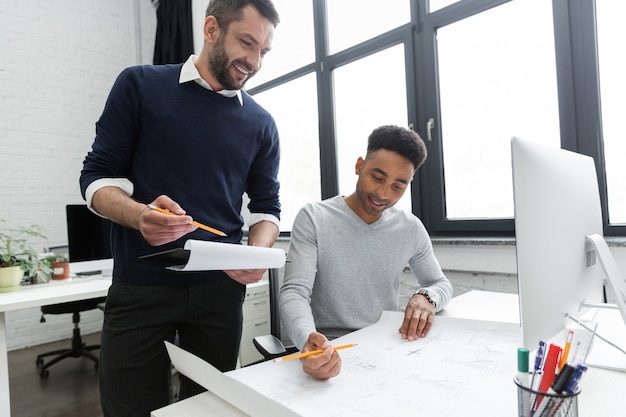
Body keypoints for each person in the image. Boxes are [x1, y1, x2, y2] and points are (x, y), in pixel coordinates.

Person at [79, 1, 281, 415]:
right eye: (247, 43)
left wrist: (258, 251)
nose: (254, 61)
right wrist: (139, 215)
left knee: (211, 409)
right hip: (140, 285)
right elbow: (97, 180)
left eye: (264, 51)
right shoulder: (139, 85)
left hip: (220, 293)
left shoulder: (261, 124)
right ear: (211, 29)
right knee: (128, 407)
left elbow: (266, 209)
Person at [279, 125, 453, 380]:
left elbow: (440, 284)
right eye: (378, 178)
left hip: (384, 349)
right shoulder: (314, 218)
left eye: (398, 186)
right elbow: (294, 292)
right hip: (328, 347)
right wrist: (309, 340)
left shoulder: (410, 227)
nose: (383, 194)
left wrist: (426, 297)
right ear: (359, 165)